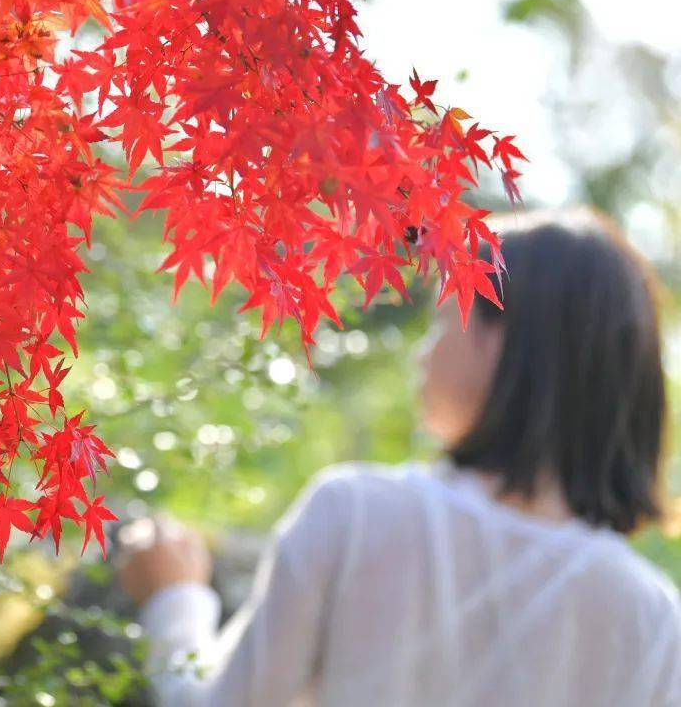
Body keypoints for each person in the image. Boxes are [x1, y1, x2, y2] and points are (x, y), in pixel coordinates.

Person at [116, 208, 681, 707]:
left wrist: (175, 598)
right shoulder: (654, 619)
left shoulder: (357, 514)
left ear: (501, 338)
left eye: (440, 322)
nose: (423, 353)